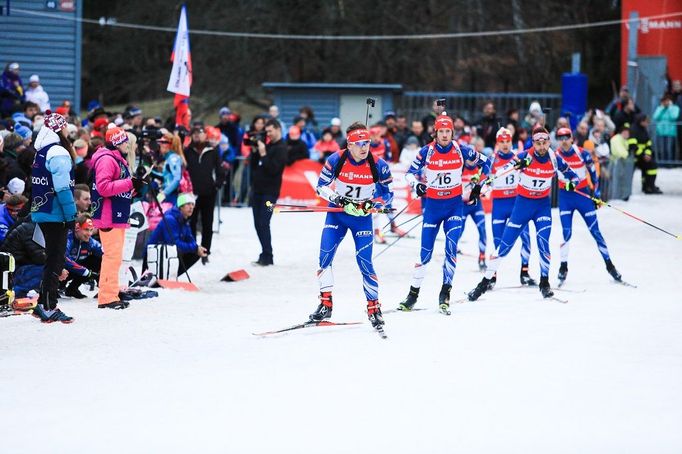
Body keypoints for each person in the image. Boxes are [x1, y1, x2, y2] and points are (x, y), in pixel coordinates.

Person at [467, 127, 580, 302]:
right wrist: (479, 186)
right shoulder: (524, 156)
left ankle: (544, 283)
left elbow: (573, 177)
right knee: (504, 247)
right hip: (522, 206)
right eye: (538, 143)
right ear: (533, 143)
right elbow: (499, 171)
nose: (541, 147)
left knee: (543, 243)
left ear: (549, 142)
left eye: (544, 143)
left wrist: (571, 184)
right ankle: (483, 283)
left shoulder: (554, 159)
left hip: (542, 206)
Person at [398, 114, 491, 314]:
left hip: (454, 208)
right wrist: (417, 185)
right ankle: (412, 295)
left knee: (451, 249)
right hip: (432, 208)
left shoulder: (461, 149)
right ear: (436, 132)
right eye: (442, 131)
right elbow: (408, 174)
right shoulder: (426, 152)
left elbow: (487, 163)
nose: (445, 135)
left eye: (448, 131)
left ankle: (445, 293)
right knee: (425, 253)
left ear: (452, 132)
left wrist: (478, 186)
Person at [309, 122, 393, 331]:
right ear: (349, 145)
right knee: (324, 258)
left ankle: (374, 307)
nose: (364, 148)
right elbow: (320, 187)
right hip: (337, 215)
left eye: (367, 143)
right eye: (359, 143)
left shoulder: (378, 164)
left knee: (365, 262)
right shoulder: (336, 159)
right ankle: (325, 304)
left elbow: (388, 194)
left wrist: (373, 204)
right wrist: (339, 199)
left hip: (362, 219)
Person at [553, 127, 623, 284]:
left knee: (596, 232)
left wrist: (596, 194)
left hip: (583, 196)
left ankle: (610, 266)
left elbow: (593, 173)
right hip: (565, 197)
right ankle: (563, 268)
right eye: (560, 138)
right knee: (566, 233)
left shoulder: (582, 153)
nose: (564, 141)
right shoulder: (555, 156)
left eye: (566, 137)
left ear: (572, 138)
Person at [29, 110, 77, 323]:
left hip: (42, 210)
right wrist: (71, 214)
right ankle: (49, 306)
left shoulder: (41, 151)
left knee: (52, 259)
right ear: (60, 129)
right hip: (56, 213)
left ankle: (42, 303)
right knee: (56, 261)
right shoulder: (58, 151)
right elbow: (63, 188)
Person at [90, 126, 142, 309]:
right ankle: (107, 297)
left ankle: (111, 293)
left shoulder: (117, 159)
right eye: (124, 141)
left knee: (116, 257)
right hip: (108, 215)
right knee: (112, 257)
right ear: (117, 143)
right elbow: (103, 187)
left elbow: (117, 186)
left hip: (116, 214)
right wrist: (129, 183)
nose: (128, 145)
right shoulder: (107, 160)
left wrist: (134, 186)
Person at [487, 128, 535, 289]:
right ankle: (492, 276)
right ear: (497, 143)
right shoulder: (492, 160)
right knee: (497, 242)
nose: (505, 144)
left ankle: (525, 272)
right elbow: (483, 179)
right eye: (502, 141)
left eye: (508, 141)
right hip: (499, 205)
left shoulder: (518, 157)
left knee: (526, 238)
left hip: (517, 204)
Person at [185, 125, 225, 264]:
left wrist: (217, 185)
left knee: (208, 224)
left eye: (200, 133)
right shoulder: (187, 151)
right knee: (191, 223)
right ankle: (192, 249)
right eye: (194, 133)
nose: (197, 135)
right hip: (191, 194)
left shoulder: (212, 151)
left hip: (209, 193)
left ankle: (206, 251)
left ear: (205, 135)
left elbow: (220, 170)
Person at [250, 118, 287, 266]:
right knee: (257, 223)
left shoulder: (282, 148)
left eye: (270, 131)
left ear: (278, 129)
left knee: (264, 222)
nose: (268, 134)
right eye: (267, 132)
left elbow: (273, 169)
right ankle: (264, 253)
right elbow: (255, 166)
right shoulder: (268, 145)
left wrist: (263, 154)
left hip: (270, 192)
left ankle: (268, 255)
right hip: (257, 190)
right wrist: (255, 152)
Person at [147, 193, 207, 275]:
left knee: (195, 253)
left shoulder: (185, 220)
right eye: (188, 204)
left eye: (193, 204)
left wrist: (197, 248)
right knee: (189, 249)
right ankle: (166, 276)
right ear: (180, 206)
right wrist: (195, 247)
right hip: (153, 257)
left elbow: (191, 240)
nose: (191, 207)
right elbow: (174, 244)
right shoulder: (170, 219)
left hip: (165, 254)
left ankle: (172, 275)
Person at [63, 214, 102, 298]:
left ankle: (72, 289)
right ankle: (54, 288)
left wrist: (102, 278)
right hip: (61, 272)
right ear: (77, 228)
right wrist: (86, 272)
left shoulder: (91, 242)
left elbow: (106, 255)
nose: (89, 234)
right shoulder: (67, 238)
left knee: (98, 260)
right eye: (86, 230)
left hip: (74, 271)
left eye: (91, 230)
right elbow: (64, 259)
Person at [629, 114, 662, 194]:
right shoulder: (633, 129)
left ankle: (650, 186)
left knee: (652, 165)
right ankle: (648, 187)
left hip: (644, 156)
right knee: (650, 165)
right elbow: (633, 145)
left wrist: (648, 154)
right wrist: (643, 155)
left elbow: (648, 143)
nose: (647, 124)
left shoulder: (644, 129)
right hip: (636, 156)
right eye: (646, 122)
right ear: (641, 121)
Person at [652, 93, 680, 162]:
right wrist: (661, 108)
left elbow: (674, 117)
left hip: (670, 132)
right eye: (664, 101)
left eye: (667, 101)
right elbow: (655, 117)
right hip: (660, 132)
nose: (666, 102)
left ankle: (669, 164)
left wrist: (670, 107)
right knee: (662, 149)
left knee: (669, 149)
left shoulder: (675, 108)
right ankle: (662, 163)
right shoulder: (660, 108)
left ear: (670, 101)